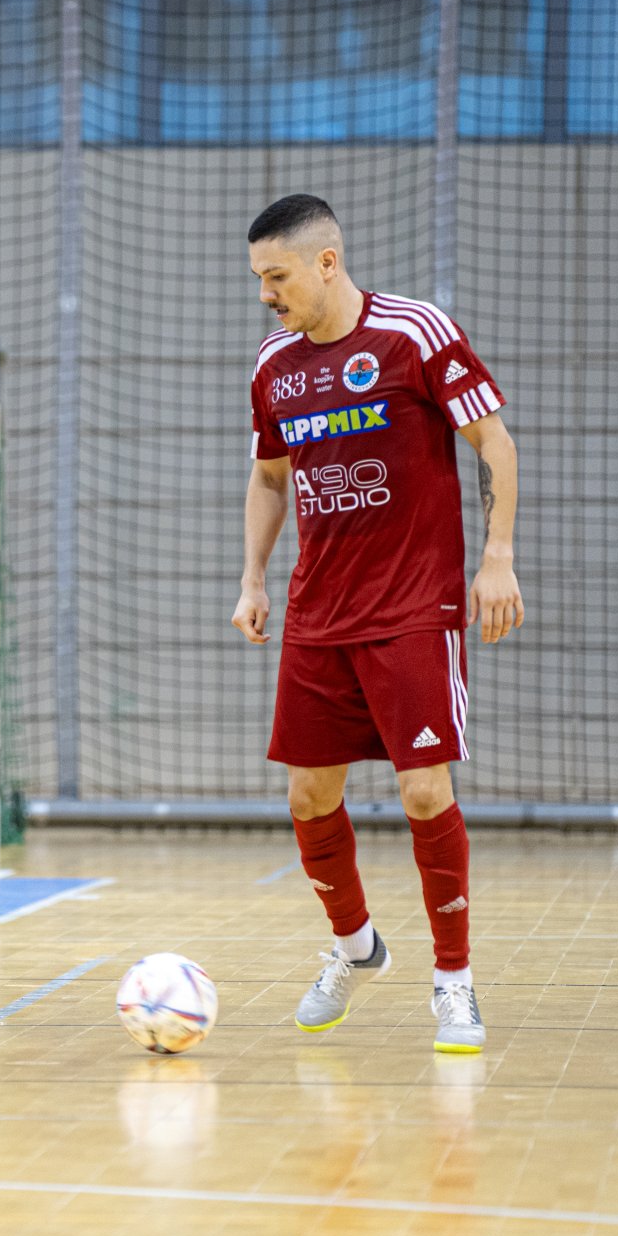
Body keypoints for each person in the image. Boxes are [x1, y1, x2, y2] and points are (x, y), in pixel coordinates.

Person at [231, 194, 524, 1054]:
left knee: (425, 790)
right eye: (257, 280)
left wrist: (496, 558)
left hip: (412, 608)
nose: (265, 295)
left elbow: (495, 445)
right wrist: (253, 580)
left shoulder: (414, 334)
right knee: (308, 796)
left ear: (327, 261)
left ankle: (455, 982)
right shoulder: (275, 364)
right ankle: (355, 948)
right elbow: (271, 478)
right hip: (319, 613)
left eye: (275, 276)